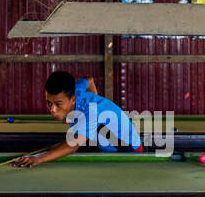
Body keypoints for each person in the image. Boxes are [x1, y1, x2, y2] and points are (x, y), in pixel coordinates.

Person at [8, 71, 142, 167]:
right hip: (107, 146)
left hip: (131, 153)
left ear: (72, 100)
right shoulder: (74, 90)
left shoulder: (90, 112)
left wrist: (38, 159)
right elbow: (88, 80)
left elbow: (72, 147)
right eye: (49, 102)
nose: (52, 109)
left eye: (58, 104)